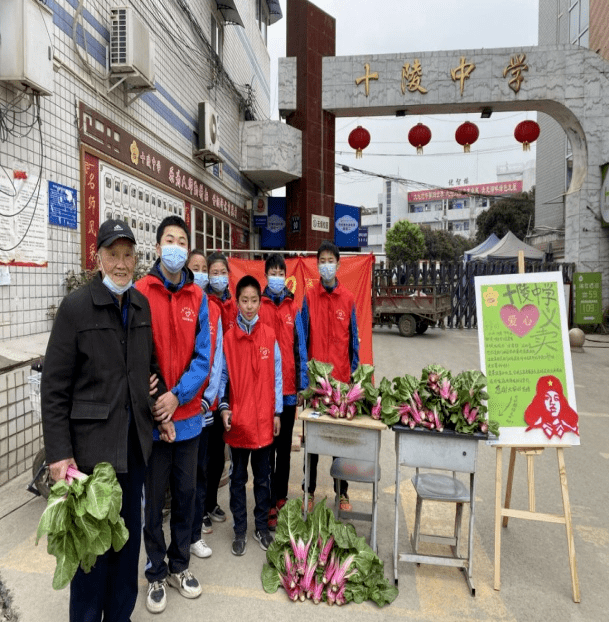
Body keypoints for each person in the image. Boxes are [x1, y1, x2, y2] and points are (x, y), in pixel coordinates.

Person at [41, 219, 168, 622]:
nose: (121, 263)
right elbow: (54, 388)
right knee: (91, 553)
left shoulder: (140, 305)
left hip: (133, 448)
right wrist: (59, 455)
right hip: (90, 456)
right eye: (112, 254)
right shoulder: (77, 307)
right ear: (98, 259)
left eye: (128, 255)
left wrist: (157, 395)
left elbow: (148, 366)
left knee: (126, 546)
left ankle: (119, 617)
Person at [136, 216, 211, 614]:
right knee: (152, 503)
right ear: (158, 245)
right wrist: (157, 408)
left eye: (183, 241)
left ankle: (180, 565)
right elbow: (135, 357)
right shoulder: (140, 292)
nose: (177, 246)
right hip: (152, 424)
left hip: (189, 421)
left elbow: (203, 359)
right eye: (170, 239)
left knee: (185, 496)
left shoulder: (198, 299)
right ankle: (155, 570)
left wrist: (176, 398)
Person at [218, 275, 282, 556]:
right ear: (237, 302)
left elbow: (277, 376)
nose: (249, 305)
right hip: (239, 425)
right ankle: (240, 530)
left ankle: (261, 528)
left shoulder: (269, 335)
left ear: (260, 302)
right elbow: (221, 376)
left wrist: (277, 411)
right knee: (237, 480)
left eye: (254, 300)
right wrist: (223, 407)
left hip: (265, 423)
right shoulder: (229, 339)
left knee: (264, 479)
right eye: (244, 300)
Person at [299, 240, 360, 512]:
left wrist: (354, 379)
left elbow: (354, 343)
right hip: (315, 383)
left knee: (340, 441)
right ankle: (308, 490)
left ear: (338, 264)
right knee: (312, 440)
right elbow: (302, 340)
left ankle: (342, 492)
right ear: (317, 264)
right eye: (321, 260)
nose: (326, 265)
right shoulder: (309, 297)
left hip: (340, 383)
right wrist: (305, 380)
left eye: (330, 260)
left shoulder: (347, 299)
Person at [258, 253, 308, 530]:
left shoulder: (293, 307)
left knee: (285, 450)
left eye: (281, 272)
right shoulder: (259, 305)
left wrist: (302, 385)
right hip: (265, 392)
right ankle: (265, 502)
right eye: (272, 272)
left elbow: (300, 348)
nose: (277, 277)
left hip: (288, 391)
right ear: (266, 275)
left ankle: (280, 498)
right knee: (266, 449)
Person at [186, 250, 224, 553]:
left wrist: (209, 397)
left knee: (203, 467)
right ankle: (185, 524)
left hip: (205, 406)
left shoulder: (213, 309)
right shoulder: (182, 303)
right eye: (195, 268)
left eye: (204, 269)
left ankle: (196, 525)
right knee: (184, 471)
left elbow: (215, 360)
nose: (200, 274)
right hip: (181, 405)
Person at [202, 251, 238, 525]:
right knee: (202, 457)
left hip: (229, 386)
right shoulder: (203, 302)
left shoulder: (234, 305)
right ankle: (200, 508)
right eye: (213, 272)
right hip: (206, 389)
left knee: (218, 454)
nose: (218, 277)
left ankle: (212, 502)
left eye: (221, 272)